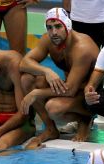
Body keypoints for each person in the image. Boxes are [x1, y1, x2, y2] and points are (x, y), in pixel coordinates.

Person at [19, 7, 99, 148]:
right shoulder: (48, 40)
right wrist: (46, 71)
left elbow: (70, 90)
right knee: (27, 79)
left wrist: (37, 93)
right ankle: (51, 129)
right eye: (49, 27)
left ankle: (85, 118)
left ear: (67, 25)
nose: (53, 32)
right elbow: (24, 63)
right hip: (69, 87)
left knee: (53, 108)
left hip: (88, 97)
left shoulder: (82, 48)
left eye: (58, 26)